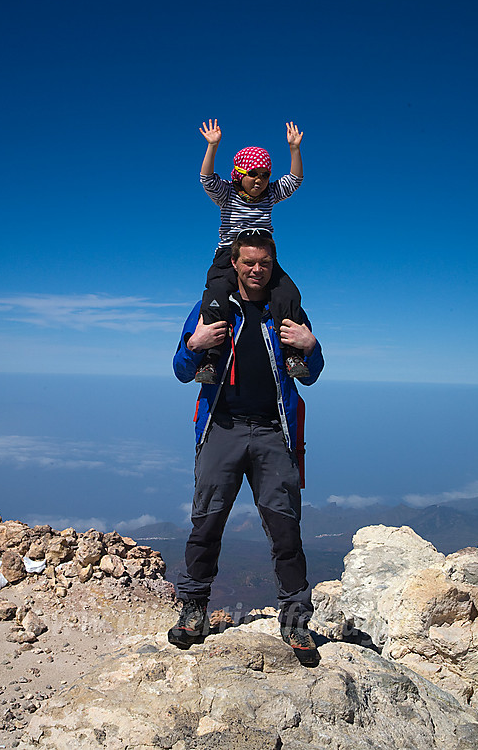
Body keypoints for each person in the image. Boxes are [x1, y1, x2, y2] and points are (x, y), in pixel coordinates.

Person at [168, 232, 324, 666]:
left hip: (274, 432)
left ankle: (295, 620)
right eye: (249, 262)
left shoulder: (286, 311)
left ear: (273, 265)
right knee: (207, 522)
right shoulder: (211, 310)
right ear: (233, 264)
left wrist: (312, 348)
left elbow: (310, 373)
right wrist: (193, 346)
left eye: (265, 264)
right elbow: (182, 371)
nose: (257, 270)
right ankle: (194, 610)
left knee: (286, 529)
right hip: (222, 428)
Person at [196, 118, 308, 385]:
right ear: (239, 174)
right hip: (228, 255)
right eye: (253, 174)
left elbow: (295, 180)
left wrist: (294, 150)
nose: (259, 180)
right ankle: (210, 357)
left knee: (288, 293)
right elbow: (206, 179)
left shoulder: (270, 194)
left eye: (265, 175)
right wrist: (212, 147)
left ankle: (292, 355)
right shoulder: (227, 194)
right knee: (216, 295)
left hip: (264, 256)